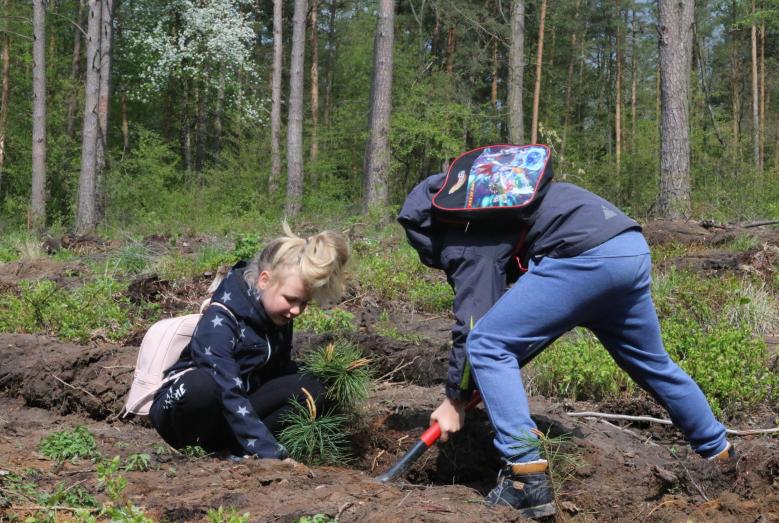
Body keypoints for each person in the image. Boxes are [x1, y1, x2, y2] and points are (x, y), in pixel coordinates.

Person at [398, 171, 734, 519]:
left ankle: (525, 480)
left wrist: (455, 399)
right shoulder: (497, 197)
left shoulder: (465, 234)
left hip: (584, 258)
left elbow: (474, 325)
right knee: (653, 364)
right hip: (627, 249)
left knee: (487, 345)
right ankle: (720, 456)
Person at [149, 223, 350, 460]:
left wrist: (329, 373)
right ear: (264, 280)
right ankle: (213, 452)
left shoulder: (277, 316)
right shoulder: (221, 320)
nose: (296, 310)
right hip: (185, 410)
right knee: (202, 386)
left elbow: (276, 372)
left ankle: (236, 450)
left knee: (313, 386)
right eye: (291, 299)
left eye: (304, 303)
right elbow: (227, 389)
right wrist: (270, 454)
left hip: (232, 408)